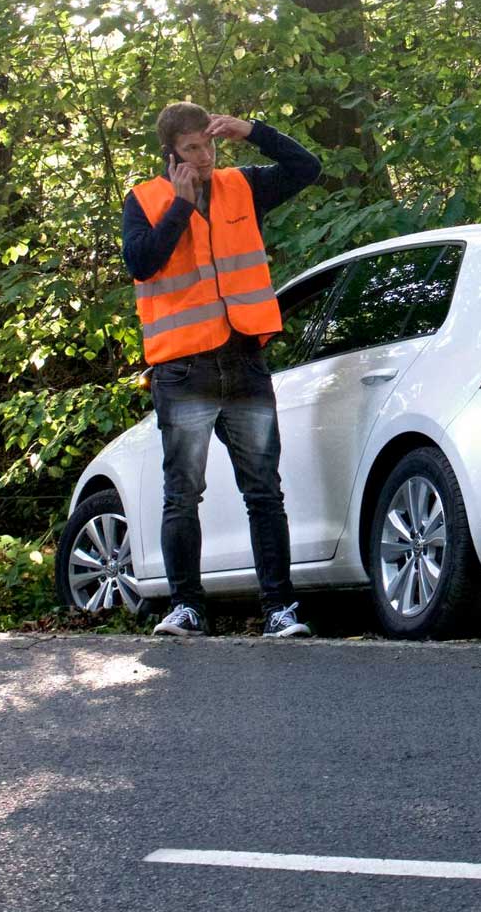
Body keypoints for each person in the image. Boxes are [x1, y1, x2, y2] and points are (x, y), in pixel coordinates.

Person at [121, 102, 321, 638]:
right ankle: (187, 607)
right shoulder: (145, 200)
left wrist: (253, 131)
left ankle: (281, 610)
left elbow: (308, 169)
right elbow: (141, 263)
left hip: (244, 360)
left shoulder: (241, 185)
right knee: (182, 493)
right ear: (170, 154)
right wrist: (180, 209)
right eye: (191, 149)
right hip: (183, 370)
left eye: (208, 145)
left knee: (263, 491)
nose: (205, 156)